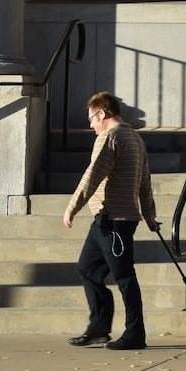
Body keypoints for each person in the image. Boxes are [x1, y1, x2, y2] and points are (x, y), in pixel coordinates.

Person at [62, 91, 161, 350]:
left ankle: (135, 334)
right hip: (107, 220)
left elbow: (92, 174)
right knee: (88, 268)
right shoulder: (135, 137)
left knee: (124, 276)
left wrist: (72, 207)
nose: (91, 125)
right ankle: (98, 328)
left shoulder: (110, 137)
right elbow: (145, 180)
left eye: (92, 119)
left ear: (102, 114)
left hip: (114, 219)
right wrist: (149, 212)